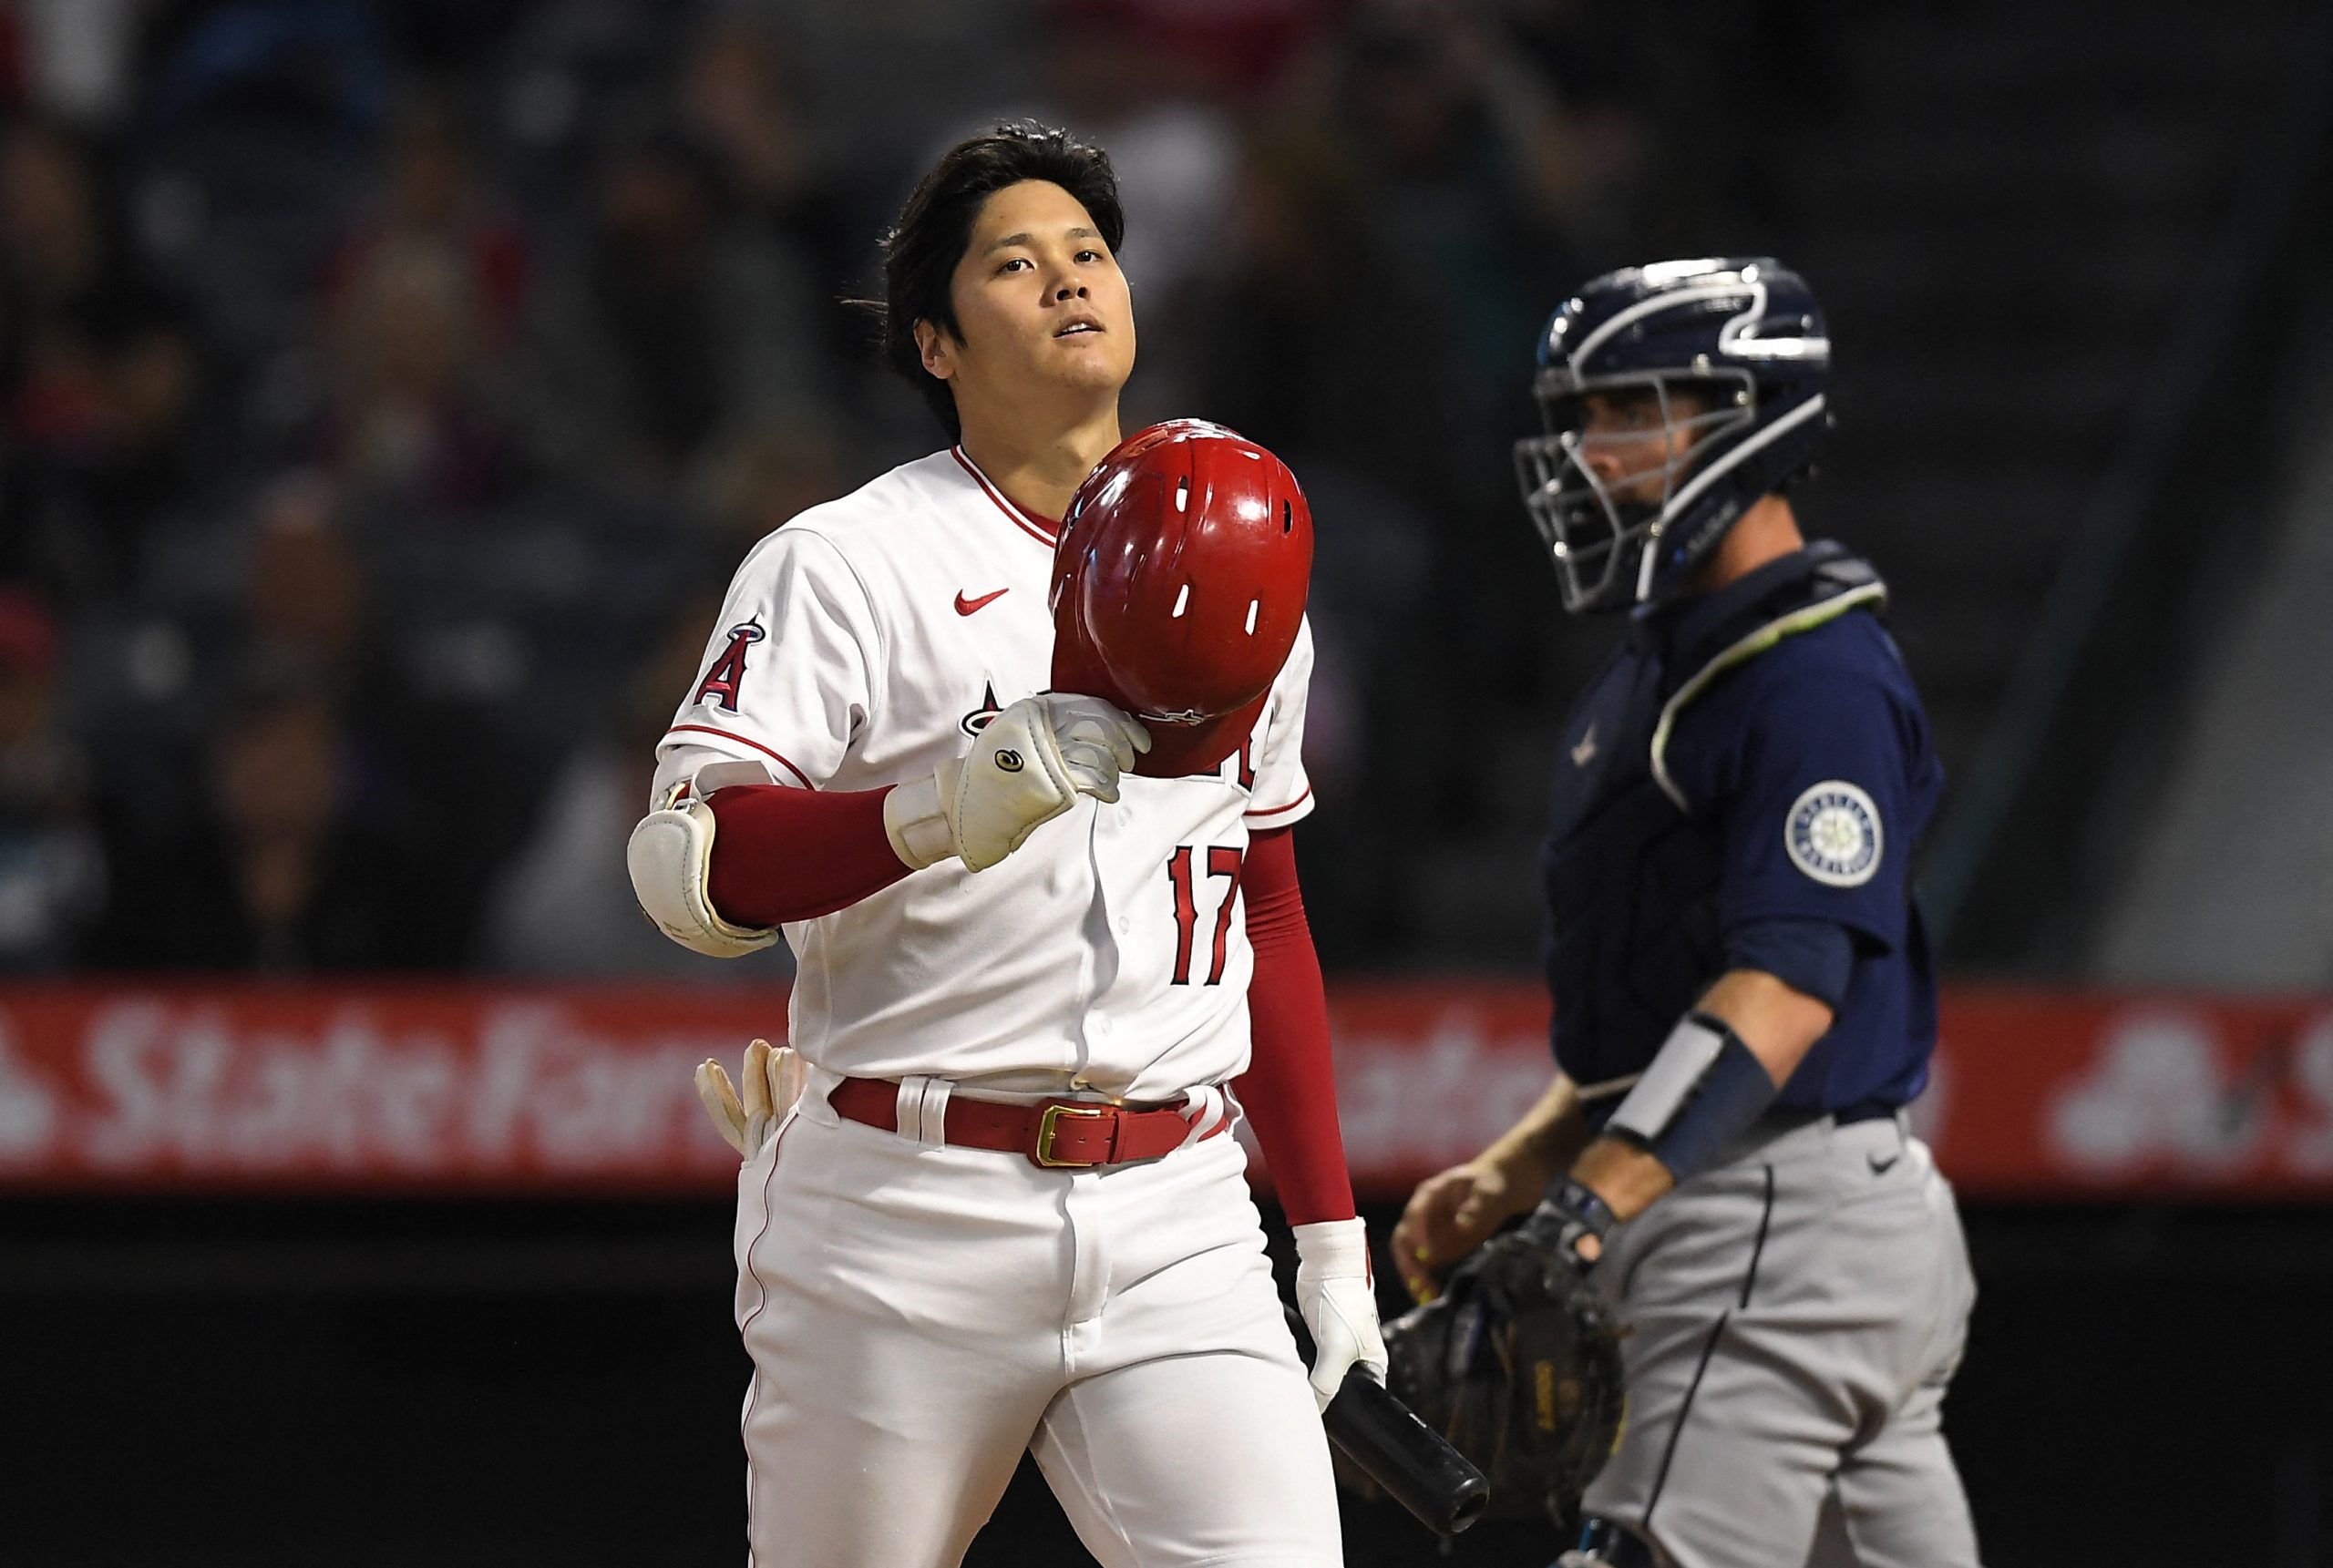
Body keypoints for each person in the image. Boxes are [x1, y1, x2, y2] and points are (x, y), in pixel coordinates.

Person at [624, 122, 1382, 1568]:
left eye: (1091, 254)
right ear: (935, 341)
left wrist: (1334, 1241)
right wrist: (929, 814)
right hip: (903, 1207)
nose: (1069, 282)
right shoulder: (846, 560)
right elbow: (685, 868)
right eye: (1016, 265)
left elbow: (1268, 913)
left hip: (1177, 1210)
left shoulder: (1241, 539)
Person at [1392, 259, 1980, 1568]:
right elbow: (1654, 1015)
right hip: (1793, 1208)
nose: (1593, 453)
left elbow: (1785, 981)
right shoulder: (1673, 655)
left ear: (1751, 413)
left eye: (1632, 412)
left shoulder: (1811, 674)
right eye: (1586, 418)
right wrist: (1523, 1165)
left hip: (1768, 1204)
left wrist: (1585, 1209)